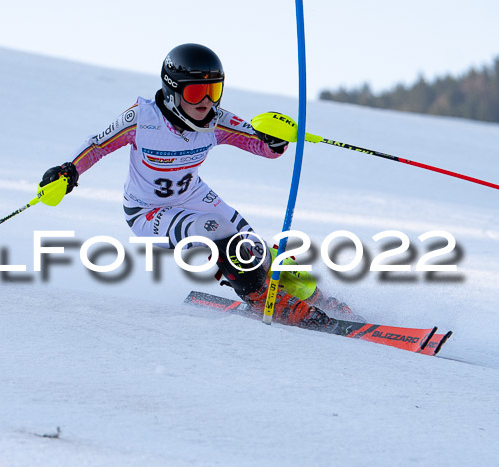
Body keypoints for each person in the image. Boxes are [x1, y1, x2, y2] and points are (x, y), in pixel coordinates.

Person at [39, 43, 356, 328]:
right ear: (174, 91)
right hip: (148, 211)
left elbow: (260, 145)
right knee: (217, 230)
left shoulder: (216, 122)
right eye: (195, 94)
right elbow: (97, 145)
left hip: (194, 196)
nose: (206, 102)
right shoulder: (143, 119)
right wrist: (68, 171)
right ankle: (262, 299)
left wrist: (275, 142)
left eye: (214, 91)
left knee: (255, 249)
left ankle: (307, 294)